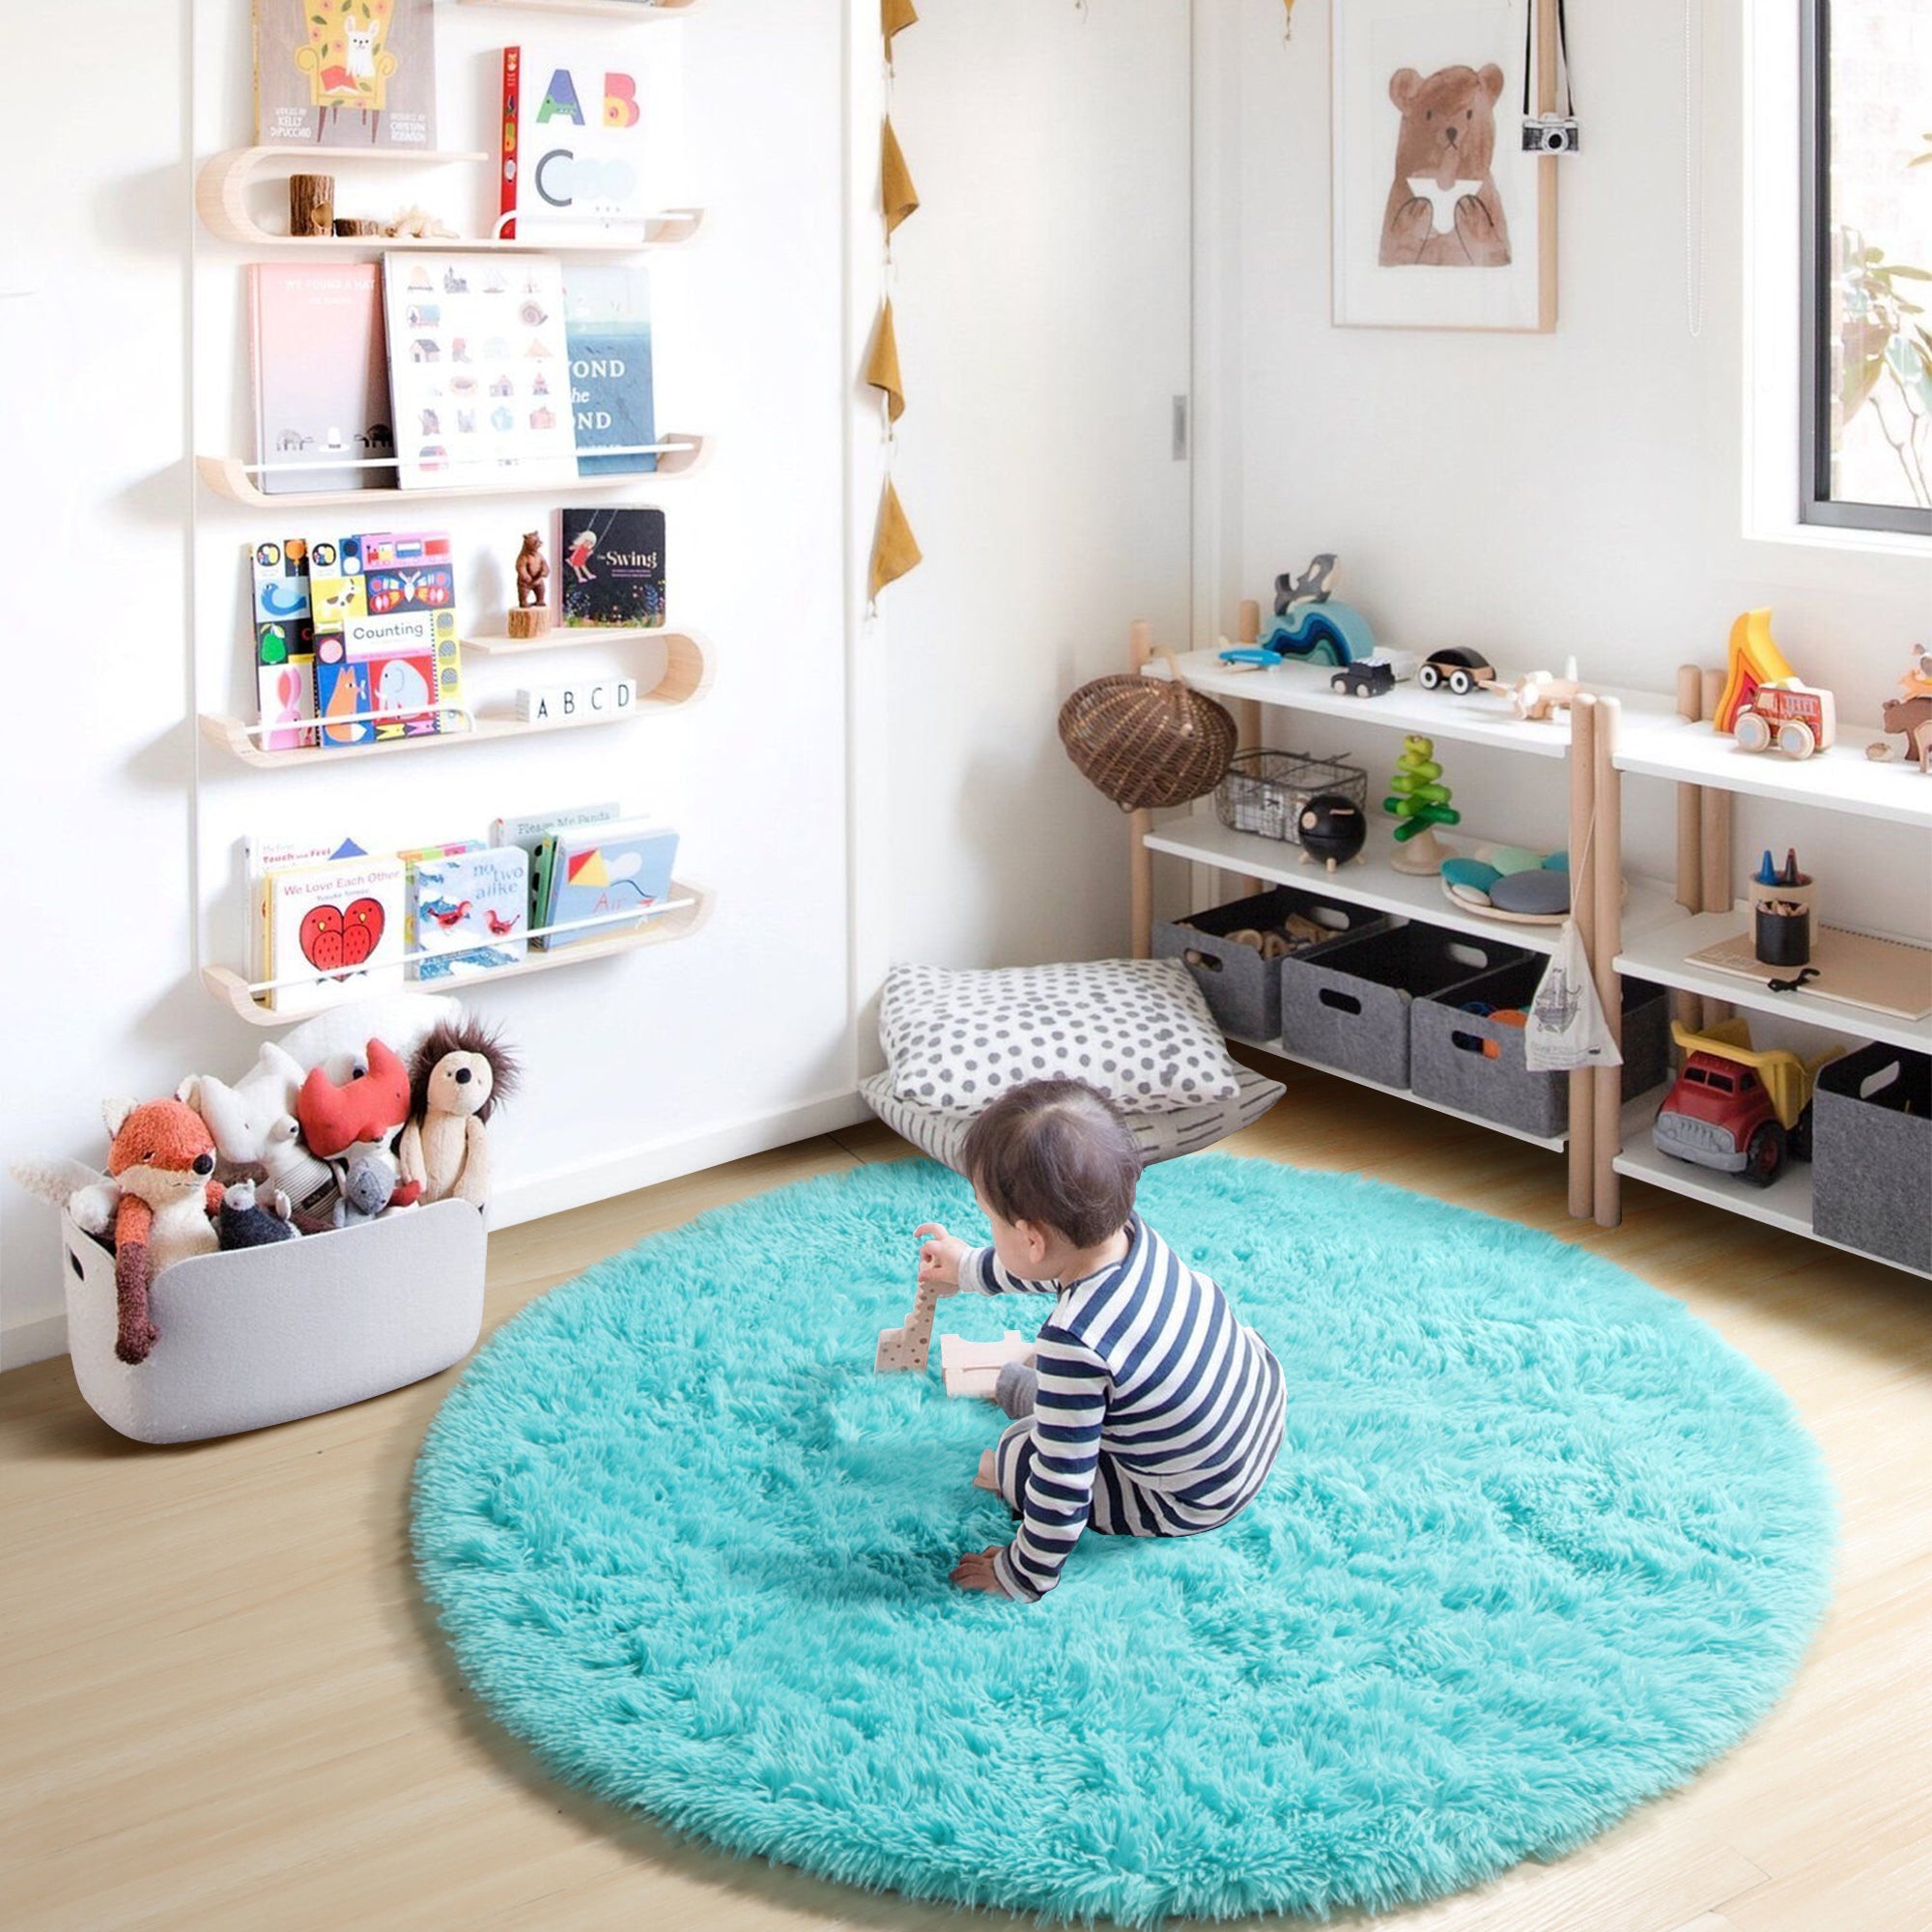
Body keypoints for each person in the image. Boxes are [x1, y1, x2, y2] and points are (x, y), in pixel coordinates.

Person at [915, 1077, 1285, 1603]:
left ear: (1031, 1237)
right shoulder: (1127, 1235)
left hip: (1191, 1496)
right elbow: (1048, 1267)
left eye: (990, 1222)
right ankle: (1048, 1399)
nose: (989, 1232)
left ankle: (1036, 1400)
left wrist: (1019, 1575)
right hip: (1256, 1414)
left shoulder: (1075, 1343)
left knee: (1021, 1453)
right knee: (1103, 1365)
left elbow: (1063, 1488)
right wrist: (970, 1267)